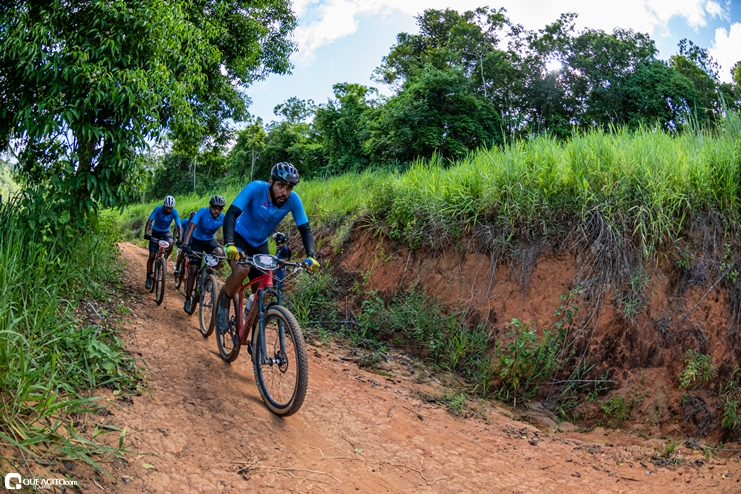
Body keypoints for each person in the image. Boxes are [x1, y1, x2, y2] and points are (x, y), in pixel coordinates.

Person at [217, 162, 319, 331]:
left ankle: (255, 336)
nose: (284, 192)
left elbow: (305, 229)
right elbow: (231, 214)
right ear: (271, 182)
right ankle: (224, 302)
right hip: (238, 237)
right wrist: (230, 244)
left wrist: (311, 255)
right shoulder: (256, 188)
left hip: (260, 244)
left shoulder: (293, 200)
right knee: (242, 270)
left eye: (289, 188)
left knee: (263, 293)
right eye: (280, 186)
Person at [180, 196, 227, 313]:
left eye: (220, 208)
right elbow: (191, 227)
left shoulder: (222, 217)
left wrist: (231, 246)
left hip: (209, 241)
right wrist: (185, 244)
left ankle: (210, 274)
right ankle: (188, 298)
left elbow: (230, 232)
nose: (217, 211)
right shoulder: (203, 212)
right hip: (197, 241)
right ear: (210, 207)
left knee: (220, 253)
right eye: (215, 208)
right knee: (194, 269)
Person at [144, 196, 181, 290]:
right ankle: (148, 277)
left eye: (170, 208)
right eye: (167, 208)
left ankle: (164, 259)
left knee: (171, 243)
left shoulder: (174, 212)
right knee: (152, 255)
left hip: (165, 233)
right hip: (155, 232)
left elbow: (179, 226)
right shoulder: (158, 209)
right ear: (164, 206)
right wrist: (146, 233)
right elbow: (149, 221)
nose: (169, 210)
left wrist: (180, 239)